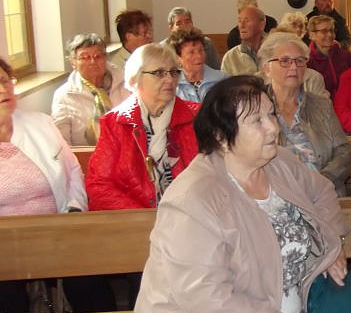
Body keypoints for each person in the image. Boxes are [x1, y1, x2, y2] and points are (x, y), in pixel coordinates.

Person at [130, 76, 347, 313]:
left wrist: (332, 246)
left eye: (271, 114)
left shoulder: (279, 164)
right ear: (221, 136)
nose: (273, 128)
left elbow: (323, 193)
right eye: (256, 121)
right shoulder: (193, 199)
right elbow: (205, 299)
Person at [0, 57, 116, 313]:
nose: (2, 89)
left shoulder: (39, 124)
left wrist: (74, 209)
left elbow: (73, 169)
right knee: (7, 297)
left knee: (89, 281)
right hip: (5, 245)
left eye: (5, 81)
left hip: (56, 231)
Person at [86, 44, 199, 210]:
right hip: (132, 223)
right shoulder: (115, 123)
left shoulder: (198, 117)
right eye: (159, 73)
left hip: (189, 216)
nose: (169, 79)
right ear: (135, 78)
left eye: (174, 72)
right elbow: (99, 185)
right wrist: (143, 216)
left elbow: (215, 175)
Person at [260, 33, 351, 196]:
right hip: (277, 196)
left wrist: (323, 180)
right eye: (285, 61)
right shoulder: (256, 110)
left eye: (300, 61)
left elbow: (343, 151)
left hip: (324, 194)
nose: (294, 67)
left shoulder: (321, 105)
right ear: (267, 68)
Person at [51, 33, 129, 145]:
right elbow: (61, 142)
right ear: (73, 63)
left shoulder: (126, 83)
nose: (93, 61)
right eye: (85, 57)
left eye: (98, 56)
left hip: (126, 154)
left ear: (105, 58)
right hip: (86, 158)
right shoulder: (64, 95)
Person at [168, 29, 228, 103]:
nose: (199, 56)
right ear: (178, 58)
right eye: (191, 52)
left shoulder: (222, 80)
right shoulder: (172, 85)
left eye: (201, 50)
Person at [307, 15, 351, 98]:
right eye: (324, 31)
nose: (329, 35)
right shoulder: (307, 61)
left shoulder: (345, 55)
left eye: (332, 30)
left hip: (346, 103)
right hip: (320, 106)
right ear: (312, 35)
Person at [222, 6, 267, 75]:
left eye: (247, 21)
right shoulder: (231, 57)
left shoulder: (275, 51)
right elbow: (224, 85)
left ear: (262, 25)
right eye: (239, 21)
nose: (242, 26)